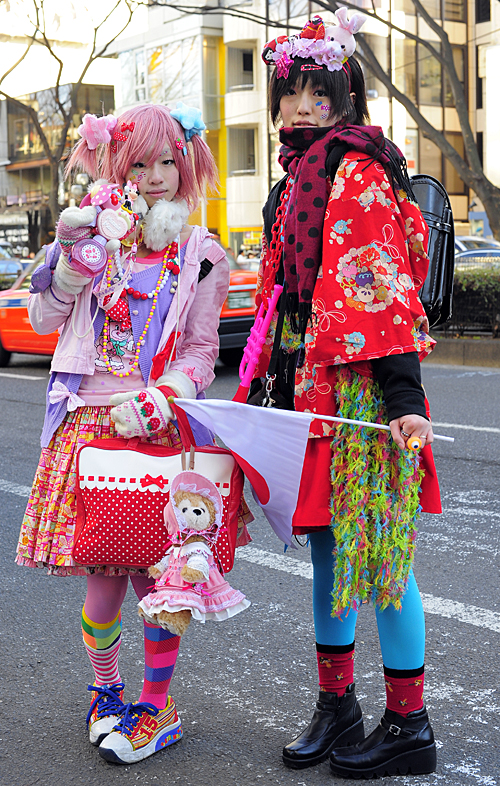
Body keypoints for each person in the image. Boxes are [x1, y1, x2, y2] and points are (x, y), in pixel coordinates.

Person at [16, 103, 252, 765]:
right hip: (86, 428)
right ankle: (106, 693)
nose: (155, 176)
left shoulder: (202, 253)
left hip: (153, 427)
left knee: (160, 585)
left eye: (168, 161)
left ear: (186, 165)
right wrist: (71, 267)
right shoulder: (92, 235)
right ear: (117, 168)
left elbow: (201, 351)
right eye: (140, 163)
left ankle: (156, 706)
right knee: (100, 586)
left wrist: (163, 398)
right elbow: (42, 319)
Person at [255, 11, 442, 779]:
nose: (301, 106)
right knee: (330, 551)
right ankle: (339, 707)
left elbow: (382, 288)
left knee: (383, 555)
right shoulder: (293, 179)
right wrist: (260, 388)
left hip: (364, 395)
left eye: (319, 94)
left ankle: (410, 723)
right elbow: (279, 301)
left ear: (345, 100)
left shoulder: (356, 168)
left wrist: (406, 400)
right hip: (312, 391)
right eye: (290, 92)